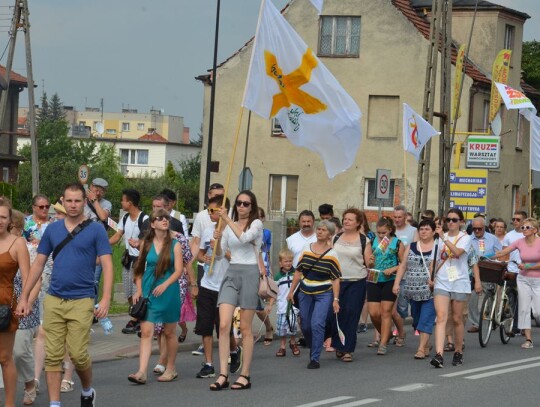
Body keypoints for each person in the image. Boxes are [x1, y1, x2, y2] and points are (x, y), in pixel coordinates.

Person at [16, 182, 113, 407]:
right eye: (68, 201)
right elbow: (39, 264)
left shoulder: (96, 229)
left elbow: (108, 265)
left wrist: (106, 298)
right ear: (62, 201)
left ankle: (88, 390)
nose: (72, 205)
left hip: (82, 299)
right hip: (54, 299)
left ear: (84, 202)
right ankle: (55, 404)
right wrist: (24, 297)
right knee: (52, 356)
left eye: (77, 201)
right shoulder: (53, 229)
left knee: (78, 355)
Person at [210, 190, 263, 391]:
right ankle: (223, 373)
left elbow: (243, 238)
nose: (241, 207)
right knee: (223, 325)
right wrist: (216, 240)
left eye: (245, 204)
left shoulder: (256, 225)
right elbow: (222, 253)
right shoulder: (228, 225)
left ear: (252, 207)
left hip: (249, 273)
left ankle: (245, 374)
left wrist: (226, 221)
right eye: (239, 203)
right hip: (232, 272)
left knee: (246, 328)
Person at [127, 209, 183, 384]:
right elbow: (138, 268)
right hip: (149, 291)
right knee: (146, 332)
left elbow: (179, 271)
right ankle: (141, 371)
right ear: (152, 224)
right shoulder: (146, 244)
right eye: (159, 218)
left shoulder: (175, 244)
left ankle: (171, 368)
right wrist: (138, 290)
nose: (164, 220)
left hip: (168, 291)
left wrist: (165, 284)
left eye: (166, 218)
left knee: (169, 332)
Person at [194, 195, 242, 378]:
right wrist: (204, 257)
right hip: (208, 283)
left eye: (214, 210)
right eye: (209, 210)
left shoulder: (233, 231)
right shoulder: (208, 231)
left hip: (226, 285)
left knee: (223, 327)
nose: (211, 213)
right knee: (205, 326)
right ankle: (208, 364)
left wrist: (220, 247)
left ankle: (234, 350)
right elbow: (200, 254)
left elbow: (236, 257)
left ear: (224, 211)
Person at [430, 208, 480, 368]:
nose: (451, 222)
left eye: (454, 220)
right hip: (442, 281)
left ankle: (458, 351)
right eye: (448, 219)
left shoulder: (465, 238)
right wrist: (430, 277)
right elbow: (434, 259)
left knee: (457, 318)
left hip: (459, 282)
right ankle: (439, 354)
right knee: (441, 317)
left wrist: (444, 238)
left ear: (461, 222)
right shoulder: (438, 238)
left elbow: (457, 252)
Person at [288, 220, 341, 369]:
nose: (319, 232)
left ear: (329, 234)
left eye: (323, 230)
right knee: (305, 324)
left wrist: (335, 299)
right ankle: (315, 343)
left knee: (317, 323)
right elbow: (298, 271)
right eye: (318, 229)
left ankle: (315, 358)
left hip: (324, 293)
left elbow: (336, 278)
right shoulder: (307, 248)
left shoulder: (332, 254)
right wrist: (291, 292)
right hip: (305, 291)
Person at [0, 198, 31, 407]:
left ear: (10, 220)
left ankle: (9, 404)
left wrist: (24, 301)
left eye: (3, 217)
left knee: (4, 357)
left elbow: (28, 277)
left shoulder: (17, 242)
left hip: (3, 305)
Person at [330, 208, 371, 363]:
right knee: (336, 314)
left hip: (356, 281)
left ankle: (348, 349)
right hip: (337, 281)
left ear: (358, 223)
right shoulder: (336, 237)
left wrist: (372, 261)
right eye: (345, 219)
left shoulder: (364, 240)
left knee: (352, 313)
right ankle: (338, 344)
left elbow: (368, 262)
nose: (346, 221)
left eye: (350, 219)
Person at [393, 219, 437, 359]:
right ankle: (427, 343)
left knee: (426, 319)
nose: (424, 231)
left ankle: (420, 349)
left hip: (430, 291)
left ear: (434, 232)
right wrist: (396, 283)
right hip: (412, 291)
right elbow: (403, 266)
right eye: (421, 229)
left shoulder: (437, 248)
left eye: (427, 229)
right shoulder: (411, 246)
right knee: (417, 320)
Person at [495, 217, 540, 349]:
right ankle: (528, 340)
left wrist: (528, 266)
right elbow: (504, 252)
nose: (524, 230)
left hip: (538, 280)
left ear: (535, 230)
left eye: (527, 227)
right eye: (523, 227)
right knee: (524, 309)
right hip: (523, 279)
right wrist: (487, 255)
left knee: (537, 312)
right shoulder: (519, 242)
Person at [109, 189, 148, 334]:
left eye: (123, 200)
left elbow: (147, 240)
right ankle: (136, 314)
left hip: (140, 261)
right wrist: (104, 244)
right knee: (128, 293)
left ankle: (137, 319)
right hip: (128, 260)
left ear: (130, 203)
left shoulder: (144, 219)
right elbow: (118, 235)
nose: (121, 202)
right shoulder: (125, 218)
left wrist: (138, 243)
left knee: (138, 291)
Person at [366, 217, 404, 356]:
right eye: (379, 233)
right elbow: (368, 263)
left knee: (386, 311)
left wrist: (393, 269)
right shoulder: (373, 242)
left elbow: (403, 264)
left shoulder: (397, 243)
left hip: (390, 280)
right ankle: (386, 334)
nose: (381, 236)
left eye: (383, 233)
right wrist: (370, 262)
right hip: (374, 278)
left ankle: (382, 343)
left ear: (390, 230)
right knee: (374, 313)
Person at [467, 216, 502, 333]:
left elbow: (500, 253)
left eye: (479, 229)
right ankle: (476, 322)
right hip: (472, 271)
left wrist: (489, 256)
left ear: (484, 228)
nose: (477, 231)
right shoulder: (467, 239)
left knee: (489, 294)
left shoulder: (492, 238)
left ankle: (493, 317)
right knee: (472, 296)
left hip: (489, 269)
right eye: (475, 229)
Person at [392, 205, 419, 347]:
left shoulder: (413, 231)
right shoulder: (391, 231)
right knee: (392, 307)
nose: (397, 220)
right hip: (390, 274)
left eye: (399, 217)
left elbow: (414, 252)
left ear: (405, 217)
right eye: (395, 217)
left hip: (407, 274)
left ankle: (415, 324)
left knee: (404, 305)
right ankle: (398, 331)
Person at [267, 248, 299, 357]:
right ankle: (282, 346)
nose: (288, 263)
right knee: (282, 328)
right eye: (286, 261)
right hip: (282, 306)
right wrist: (270, 305)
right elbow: (274, 293)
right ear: (280, 263)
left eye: (290, 261)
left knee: (293, 326)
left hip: (293, 306)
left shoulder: (296, 273)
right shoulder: (277, 277)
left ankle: (293, 343)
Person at [256, 207, 274, 345]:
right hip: (247, 268)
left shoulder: (265, 233)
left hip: (261, 268)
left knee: (257, 306)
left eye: (259, 216)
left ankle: (268, 327)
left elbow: (262, 247)